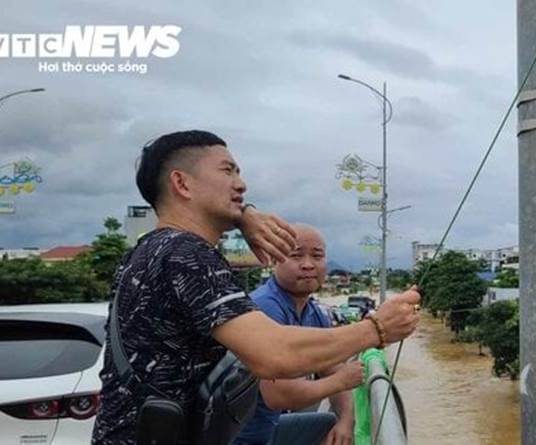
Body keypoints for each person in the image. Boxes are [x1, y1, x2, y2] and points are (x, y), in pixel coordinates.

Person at [92, 130, 420, 444]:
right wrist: (378, 328)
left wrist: (242, 216)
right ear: (182, 183)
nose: (241, 184)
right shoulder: (185, 253)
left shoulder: (152, 248)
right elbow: (274, 354)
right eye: (227, 171)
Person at [235, 224, 359, 445]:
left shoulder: (314, 313)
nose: (308, 265)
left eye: (317, 256)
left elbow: (332, 368)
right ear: (275, 260)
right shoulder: (265, 306)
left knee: (334, 426)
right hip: (242, 437)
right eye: (296, 256)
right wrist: (341, 381)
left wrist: (347, 420)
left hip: (270, 429)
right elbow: (278, 395)